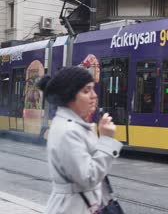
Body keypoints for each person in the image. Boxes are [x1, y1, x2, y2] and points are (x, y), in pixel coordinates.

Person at [37, 66, 123, 214]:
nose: (94, 96)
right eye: (86, 91)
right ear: (69, 96)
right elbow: (89, 177)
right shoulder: (68, 131)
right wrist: (107, 140)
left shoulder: (76, 125)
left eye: (93, 89)